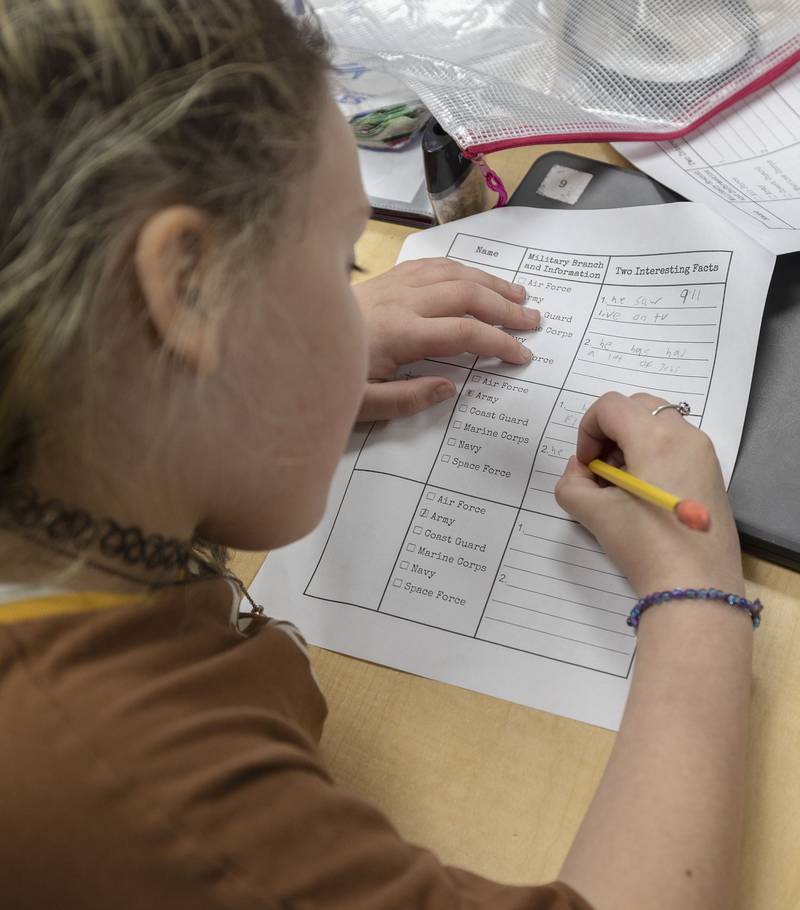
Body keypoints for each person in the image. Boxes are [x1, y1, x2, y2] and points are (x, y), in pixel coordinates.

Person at [0, 2, 755, 909]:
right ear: (188, 292)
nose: (359, 295)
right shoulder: (131, 789)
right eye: (338, 262)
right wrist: (695, 598)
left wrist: (256, 372)